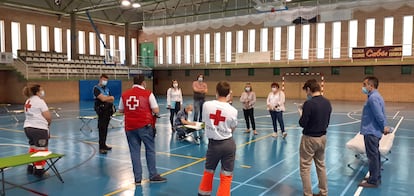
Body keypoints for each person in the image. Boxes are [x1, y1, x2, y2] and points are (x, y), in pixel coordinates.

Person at [118, 75, 167, 185]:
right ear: (143, 83)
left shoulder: (124, 95)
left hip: (130, 127)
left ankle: (137, 178)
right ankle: (153, 175)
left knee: (134, 152)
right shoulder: (148, 94)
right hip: (145, 126)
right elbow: (156, 110)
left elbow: (121, 110)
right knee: (150, 150)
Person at [198, 81, 238, 196]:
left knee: (208, 172)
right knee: (226, 175)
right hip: (228, 144)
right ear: (228, 94)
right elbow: (232, 128)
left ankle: (203, 193)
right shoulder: (233, 110)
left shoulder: (207, 105)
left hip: (213, 145)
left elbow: (204, 122)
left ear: (216, 92)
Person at [298, 79, 332, 196]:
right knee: (321, 165)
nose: (306, 94)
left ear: (308, 89)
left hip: (310, 138)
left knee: (305, 167)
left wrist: (301, 114)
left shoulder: (309, 104)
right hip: (322, 137)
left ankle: (308, 193)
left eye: (306, 91)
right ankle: (324, 192)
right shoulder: (327, 102)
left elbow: (303, 123)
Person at [358, 76, 391, 188]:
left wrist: (384, 126)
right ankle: (376, 176)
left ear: (370, 86)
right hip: (373, 130)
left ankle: (373, 181)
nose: (363, 87)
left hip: (371, 131)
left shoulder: (373, 98)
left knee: (372, 156)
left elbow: (379, 114)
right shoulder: (376, 96)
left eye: (364, 84)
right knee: (375, 155)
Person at [23, 84, 52, 177]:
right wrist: (48, 124)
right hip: (39, 128)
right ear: (37, 92)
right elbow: (47, 116)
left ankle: (31, 166)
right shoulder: (40, 101)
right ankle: (39, 170)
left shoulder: (28, 100)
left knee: (33, 147)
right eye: (41, 90)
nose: (43, 91)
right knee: (41, 149)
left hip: (28, 128)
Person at [93, 74, 115, 154]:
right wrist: (108, 98)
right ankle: (101, 147)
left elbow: (111, 99)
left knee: (105, 128)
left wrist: (107, 98)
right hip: (101, 110)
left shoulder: (107, 89)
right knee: (101, 128)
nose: (105, 81)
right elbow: (102, 98)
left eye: (106, 80)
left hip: (107, 111)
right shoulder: (96, 89)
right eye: (103, 79)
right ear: (100, 79)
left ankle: (104, 144)